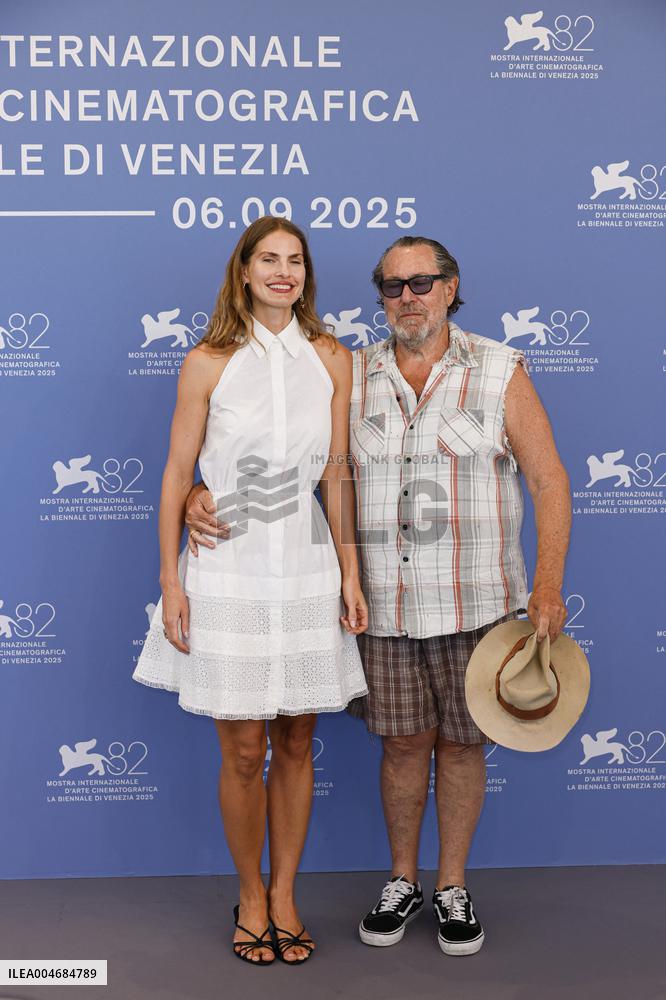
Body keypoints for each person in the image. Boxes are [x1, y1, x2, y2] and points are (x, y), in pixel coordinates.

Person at [132, 216, 368, 966]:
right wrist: (170, 577)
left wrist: (352, 571)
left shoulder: (333, 356)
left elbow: (336, 470)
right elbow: (176, 472)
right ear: (242, 271)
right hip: (225, 562)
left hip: (306, 561)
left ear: (307, 275)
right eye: (268, 259)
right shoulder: (206, 360)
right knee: (241, 749)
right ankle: (252, 895)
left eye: (295, 261)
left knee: (298, 737)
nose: (283, 272)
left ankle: (289, 892)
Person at [349, 236, 570, 956]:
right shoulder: (349, 375)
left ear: (450, 287)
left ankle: (451, 887)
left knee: (464, 747)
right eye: (392, 287)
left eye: (421, 283)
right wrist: (199, 488)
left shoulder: (501, 368)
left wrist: (547, 585)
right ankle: (402, 882)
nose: (407, 298)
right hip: (384, 603)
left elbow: (548, 482)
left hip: (479, 605)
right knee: (403, 745)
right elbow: (289, 456)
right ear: (381, 297)